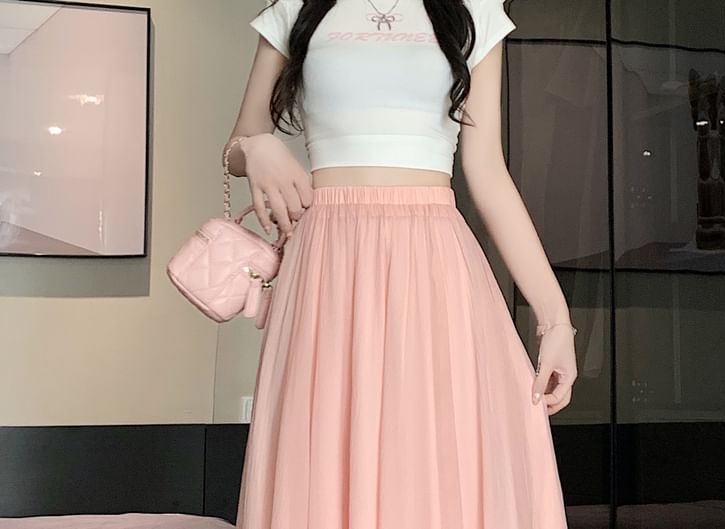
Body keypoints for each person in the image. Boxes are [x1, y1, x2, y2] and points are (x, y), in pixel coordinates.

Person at [225, 0, 577, 527]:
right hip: (327, 263)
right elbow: (237, 145)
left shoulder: (473, 11)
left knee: (431, 451)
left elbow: (486, 170)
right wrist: (257, 148)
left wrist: (556, 320)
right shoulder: (296, 8)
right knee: (323, 448)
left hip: (433, 258)